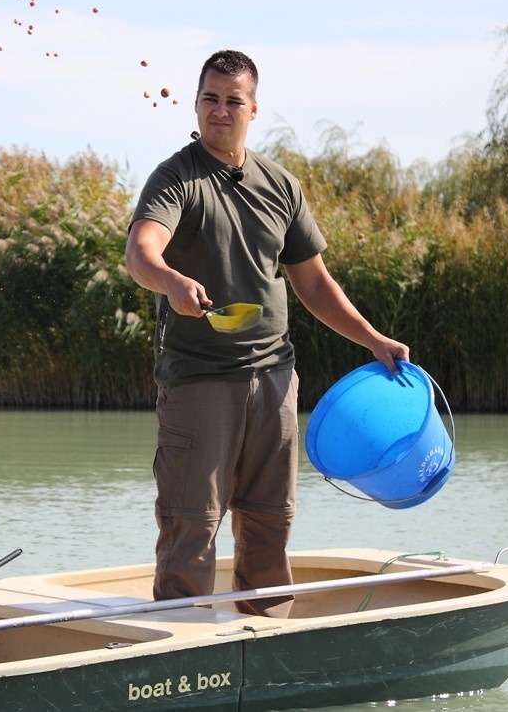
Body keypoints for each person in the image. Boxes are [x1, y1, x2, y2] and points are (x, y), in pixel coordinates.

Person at [125, 49, 410, 618]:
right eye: (211, 98)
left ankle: (267, 642)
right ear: (197, 103)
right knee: (192, 526)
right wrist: (171, 282)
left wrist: (373, 340)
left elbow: (315, 284)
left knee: (269, 522)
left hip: (275, 381)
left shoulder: (281, 185)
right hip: (200, 382)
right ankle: (181, 649)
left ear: (254, 109)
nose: (220, 110)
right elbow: (141, 250)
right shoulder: (176, 177)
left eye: (234, 100)